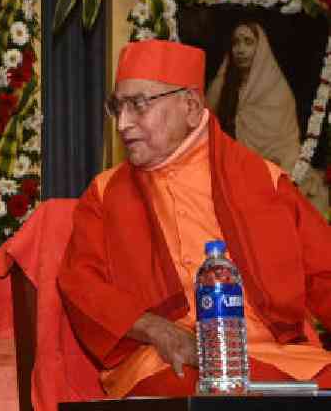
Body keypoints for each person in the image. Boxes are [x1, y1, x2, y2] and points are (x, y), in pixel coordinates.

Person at [57, 39, 331, 398]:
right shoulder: (106, 193)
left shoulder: (264, 179)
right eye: (117, 106)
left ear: (189, 106)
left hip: (276, 355)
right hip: (167, 358)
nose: (123, 123)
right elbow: (81, 284)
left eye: (139, 105)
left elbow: (325, 272)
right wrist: (155, 329)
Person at [206, 21, 328, 214]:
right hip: (233, 170)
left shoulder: (277, 92)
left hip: (276, 166)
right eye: (235, 43)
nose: (240, 49)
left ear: (261, 48)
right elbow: (206, 116)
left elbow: (286, 145)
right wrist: (223, 76)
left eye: (248, 42)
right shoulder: (227, 86)